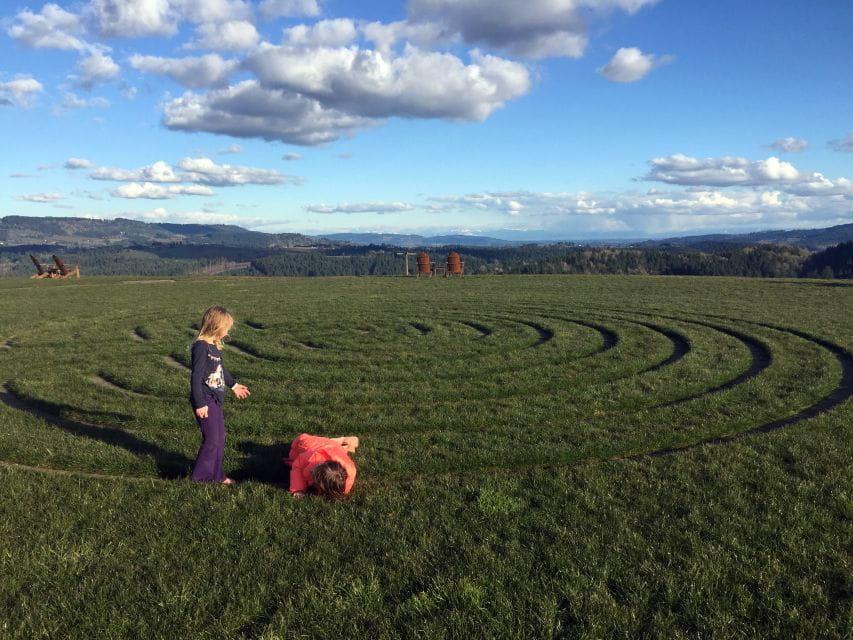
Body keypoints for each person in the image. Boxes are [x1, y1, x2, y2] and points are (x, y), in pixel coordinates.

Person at [190, 305, 250, 484]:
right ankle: (200, 477)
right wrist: (200, 403)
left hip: (215, 399)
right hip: (205, 399)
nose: (227, 332)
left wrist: (234, 385)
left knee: (219, 439)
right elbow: (196, 377)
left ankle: (217, 475)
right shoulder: (201, 347)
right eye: (226, 329)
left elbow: (221, 369)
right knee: (212, 440)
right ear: (216, 327)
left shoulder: (214, 347)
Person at [285, 434, 359, 499]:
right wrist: (298, 489)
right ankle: (337, 441)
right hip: (308, 443)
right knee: (294, 453)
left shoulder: (350, 470)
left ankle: (338, 441)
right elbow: (297, 465)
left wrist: (343, 491)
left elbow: (347, 485)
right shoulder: (310, 457)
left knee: (332, 443)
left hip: (334, 447)